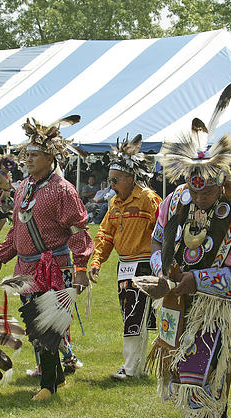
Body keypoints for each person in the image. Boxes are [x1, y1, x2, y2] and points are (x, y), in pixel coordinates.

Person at [144, 84, 231, 418]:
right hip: (178, 304)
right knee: (185, 378)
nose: (200, 194)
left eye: (208, 188)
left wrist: (200, 279)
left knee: (202, 378)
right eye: (194, 186)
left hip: (218, 307)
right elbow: (158, 239)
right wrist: (162, 272)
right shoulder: (176, 201)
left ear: (223, 179)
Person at [0, 116, 92, 401]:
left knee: (46, 325)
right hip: (25, 266)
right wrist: (1, 259)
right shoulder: (23, 188)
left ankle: (48, 386)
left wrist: (81, 267)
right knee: (35, 325)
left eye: (34, 155)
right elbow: (16, 228)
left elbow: (78, 230)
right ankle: (54, 375)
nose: (28, 160)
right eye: (26, 155)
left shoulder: (62, 190)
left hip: (53, 267)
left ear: (50, 156)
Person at [88, 135, 159, 379]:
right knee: (130, 314)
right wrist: (97, 261)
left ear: (130, 178)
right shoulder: (115, 204)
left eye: (115, 180)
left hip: (144, 264)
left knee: (136, 314)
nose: (111, 184)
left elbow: (166, 230)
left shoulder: (148, 199)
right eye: (109, 180)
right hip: (124, 266)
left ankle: (131, 369)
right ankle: (134, 366)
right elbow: (105, 235)